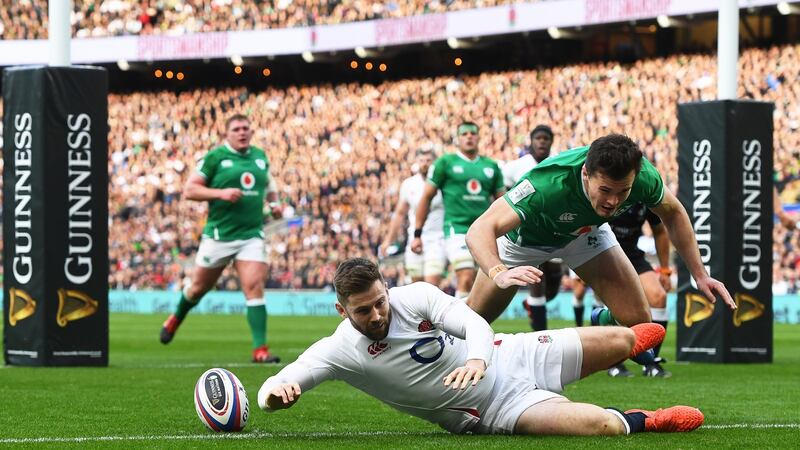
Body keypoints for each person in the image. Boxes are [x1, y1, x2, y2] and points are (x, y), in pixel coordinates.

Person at [257, 258, 704, 436]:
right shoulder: (341, 350)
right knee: (600, 427)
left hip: (511, 353)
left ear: (386, 289)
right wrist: (275, 396)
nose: (376, 316)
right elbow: (277, 386)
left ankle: (615, 336)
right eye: (363, 312)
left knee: (628, 337)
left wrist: (477, 356)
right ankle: (650, 420)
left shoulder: (414, 297)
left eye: (379, 303)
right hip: (494, 409)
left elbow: (474, 323)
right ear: (341, 310)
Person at [464, 134, 736, 333]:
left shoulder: (642, 176)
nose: (613, 202)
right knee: (472, 322)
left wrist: (700, 274)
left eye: (623, 192)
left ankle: (601, 321)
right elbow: (479, 230)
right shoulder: (549, 184)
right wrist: (499, 272)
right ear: (586, 173)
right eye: (605, 190)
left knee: (640, 325)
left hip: (585, 235)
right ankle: (430, 324)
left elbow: (674, 213)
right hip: (524, 244)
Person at [159, 114, 282, 363]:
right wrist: (221, 193)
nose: (242, 132)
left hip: (251, 235)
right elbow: (190, 190)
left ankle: (260, 350)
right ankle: (176, 317)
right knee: (197, 289)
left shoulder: (259, 156)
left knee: (254, 287)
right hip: (219, 236)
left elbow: (269, 184)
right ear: (227, 133)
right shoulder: (215, 157)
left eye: (246, 128)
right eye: (236, 129)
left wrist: (275, 202)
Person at [411, 122, 505, 299]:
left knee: (486, 280)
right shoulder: (445, 163)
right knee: (466, 275)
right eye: (464, 134)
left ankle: (471, 320)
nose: (469, 136)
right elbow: (426, 198)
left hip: (484, 231)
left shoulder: (491, 166)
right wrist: (417, 233)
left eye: (472, 133)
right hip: (456, 228)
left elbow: (502, 201)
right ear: (458, 139)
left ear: (478, 137)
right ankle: (460, 325)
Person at [502, 125, 578, 331]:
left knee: (552, 286)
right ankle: (541, 334)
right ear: (531, 141)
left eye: (546, 138)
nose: (542, 142)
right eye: (538, 138)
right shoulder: (515, 166)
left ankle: (532, 306)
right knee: (536, 281)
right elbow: (502, 190)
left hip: (553, 230)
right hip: (526, 232)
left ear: (551, 142)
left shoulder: (558, 164)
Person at [597, 202, 674, 378]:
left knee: (658, 297)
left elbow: (660, 231)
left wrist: (665, 270)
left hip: (632, 254)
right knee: (616, 306)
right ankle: (613, 362)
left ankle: (650, 362)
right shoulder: (609, 195)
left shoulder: (646, 196)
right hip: (602, 253)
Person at [381, 149, 447, 286]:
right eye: (422, 161)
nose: (425, 164)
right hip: (414, 239)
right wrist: (388, 240)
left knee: (432, 288)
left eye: (428, 161)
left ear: (434, 163)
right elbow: (400, 214)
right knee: (416, 288)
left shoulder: (443, 185)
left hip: (437, 240)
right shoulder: (408, 184)